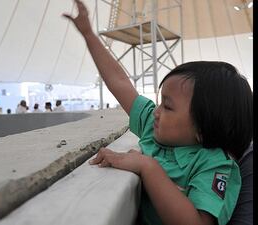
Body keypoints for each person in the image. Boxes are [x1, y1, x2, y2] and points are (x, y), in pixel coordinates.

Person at [63, 1, 253, 225]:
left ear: (202, 129)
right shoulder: (155, 130)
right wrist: (88, 34)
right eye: (159, 102)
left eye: (168, 106)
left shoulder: (215, 165)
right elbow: (120, 82)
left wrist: (148, 167)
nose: (156, 112)